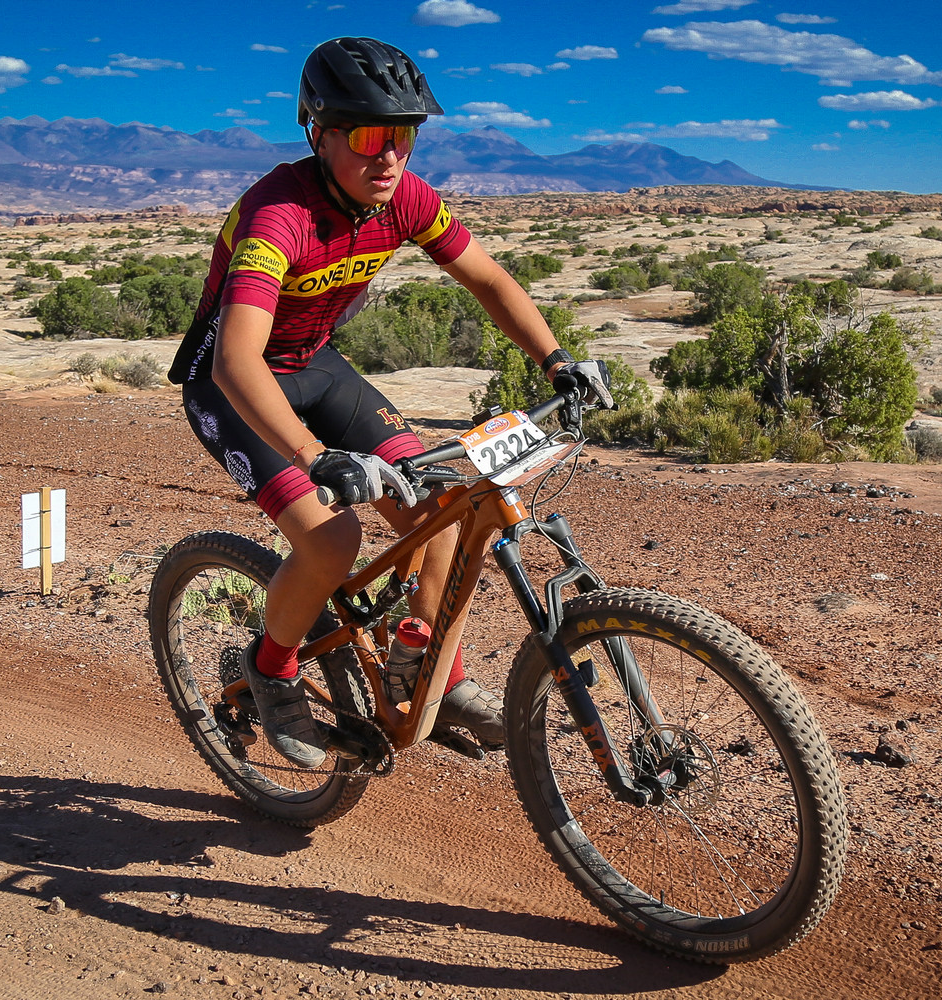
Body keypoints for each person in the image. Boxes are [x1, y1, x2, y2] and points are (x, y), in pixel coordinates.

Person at [169, 37, 613, 769]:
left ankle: (435, 674)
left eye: (404, 135)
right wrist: (315, 457)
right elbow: (236, 357)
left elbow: (489, 279)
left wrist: (556, 360)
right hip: (234, 387)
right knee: (333, 539)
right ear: (319, 133)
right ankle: (272, 668)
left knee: (444, 507)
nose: (391, 157)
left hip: (316, 367)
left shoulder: (405, 198)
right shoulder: (279, 214)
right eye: (370, 136)